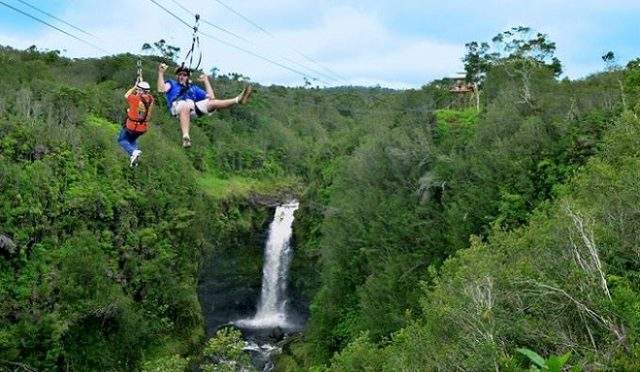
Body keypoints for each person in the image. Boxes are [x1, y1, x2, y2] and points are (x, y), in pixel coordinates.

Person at [157, 63, 253, 148]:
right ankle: (185, 136)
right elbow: (161, 89)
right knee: (184, 105)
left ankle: (237, 100)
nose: (182, 76)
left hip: (192, 107)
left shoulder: (193, 88)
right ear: (177, 76)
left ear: (187, 77)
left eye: (184, 75)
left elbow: (211, 97)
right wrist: (161, 73)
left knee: (212, 103)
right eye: (180, 74)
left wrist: (206, 81)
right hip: (177, 106)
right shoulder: (172, 83)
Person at [118, 80, 155, 167]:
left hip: (132, 127)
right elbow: (141, 110)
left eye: (138, 90)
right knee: (132, 140)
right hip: (142, 128)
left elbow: (126, 95)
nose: (137, 91)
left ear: (141, 91)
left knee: (122, 140)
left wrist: (134, 87)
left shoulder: (135, 98)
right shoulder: (151, 99)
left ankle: (133, 152)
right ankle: (134, 156)